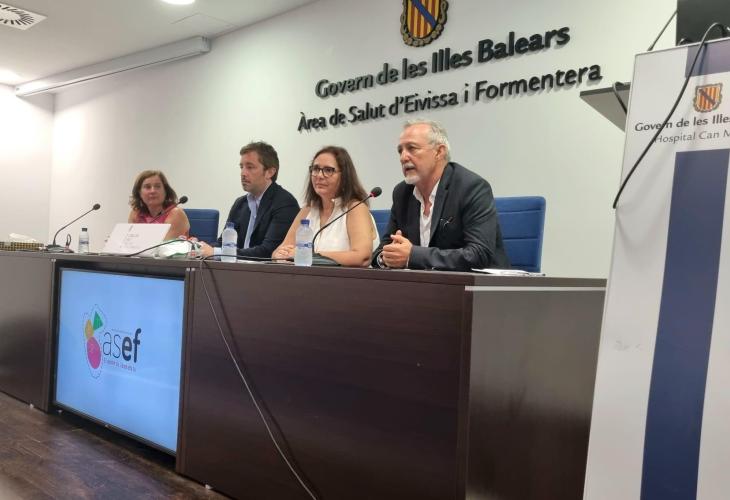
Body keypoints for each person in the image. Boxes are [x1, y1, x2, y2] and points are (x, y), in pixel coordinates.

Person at [372, 119, 510, 271]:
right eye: (400, 151)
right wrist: (386, 257)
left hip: (477, 284)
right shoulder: (402, 193)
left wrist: (413, 256)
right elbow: (381, 250)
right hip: (423, 283)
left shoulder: (470, 187)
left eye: (412, 148)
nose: (403, 157)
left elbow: (479, 254)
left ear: (439, 152)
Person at [272, 146, 379, 267]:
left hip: (348, 278)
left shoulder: (356, 208)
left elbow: (362, 257)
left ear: (344, 176)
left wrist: (309, 255)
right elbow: (279, 251)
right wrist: (279, 256)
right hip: (308, 277)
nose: (319, 175)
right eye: (316, 169)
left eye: (328, 170)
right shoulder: (307, 210)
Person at [199, 142, 299, 259]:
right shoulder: (240, 203)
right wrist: (199, 248)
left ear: (270, 172)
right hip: (236, 267)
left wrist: (216, 253)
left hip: (264, 269)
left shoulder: (285, 203)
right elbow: (222, 243)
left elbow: (267, 251)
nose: (243, 173)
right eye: (241, 167)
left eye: (250, 167)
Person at [128, 170, 190, 240]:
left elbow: (163, 245)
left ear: (165, 191)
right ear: (139, 192)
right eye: (147, 187)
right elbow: (130, 241)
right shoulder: (136, 213)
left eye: (157, 186)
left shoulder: (175, 214)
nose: (153, 191)